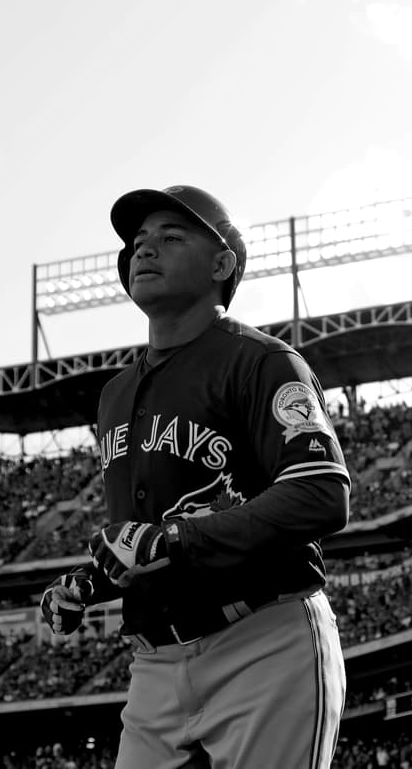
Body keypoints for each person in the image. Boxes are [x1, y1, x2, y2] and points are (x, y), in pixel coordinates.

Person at [40, 184, 349, 768]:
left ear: (222, 264)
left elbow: (321, 494)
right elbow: (147, 540)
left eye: (171, 237)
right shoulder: (114, 395)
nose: (145, 249)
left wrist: (174, 540)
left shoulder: (263, 361)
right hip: (154, 664)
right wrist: (91, 581)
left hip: (263, 640)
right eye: (137, 242)